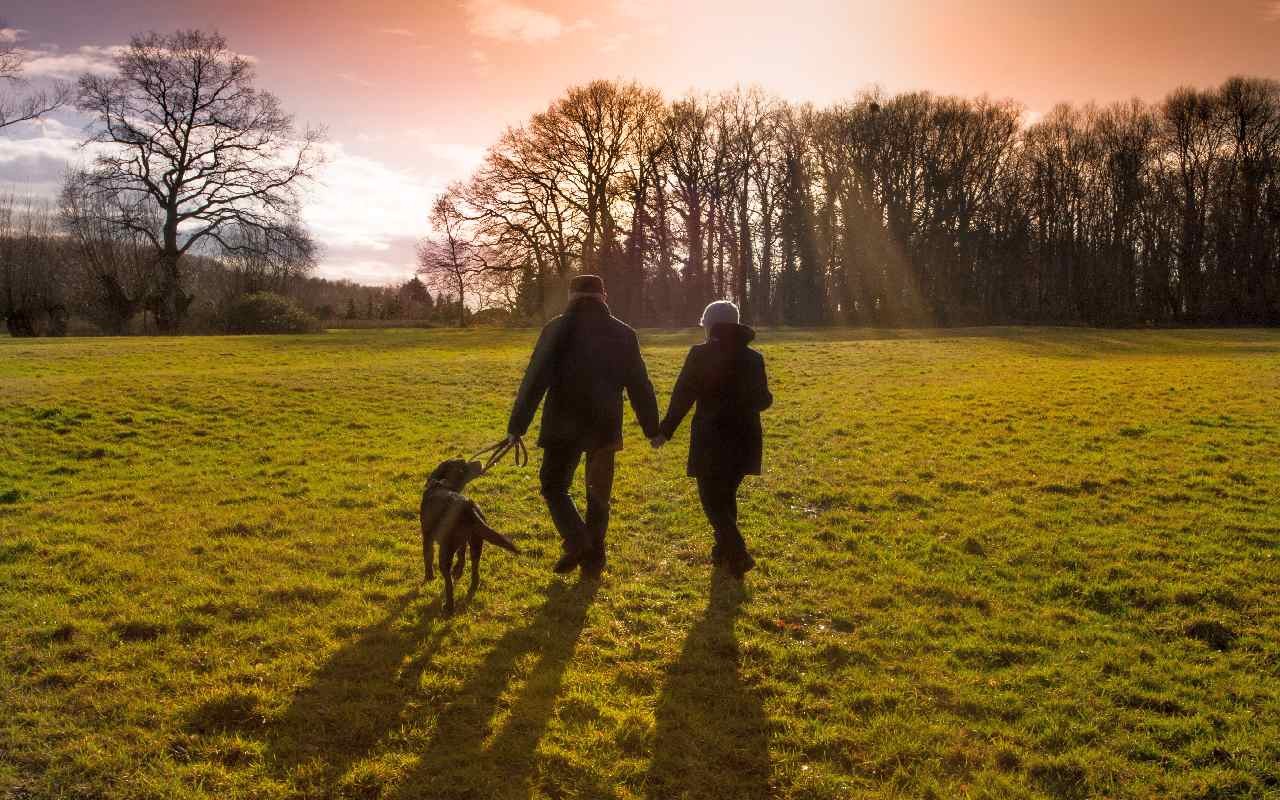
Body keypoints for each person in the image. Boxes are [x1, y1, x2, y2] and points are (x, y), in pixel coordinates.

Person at [506, 275, 663, 577]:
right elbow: (640, 385)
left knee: (554, 486)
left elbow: (534, 381)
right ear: (604, 296)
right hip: (604, 425)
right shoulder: (623, 333)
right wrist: (651, 428)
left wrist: (518, 425)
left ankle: (577, 540)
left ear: (571, 296)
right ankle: (593, 558)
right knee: (598, 494)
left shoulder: (555, 330)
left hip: (561, 425)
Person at [656, 300, 772, 578]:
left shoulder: (700, 354)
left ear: (710, 325)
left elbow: (683, 394)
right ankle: (723, 553)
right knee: (726, 495)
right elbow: (763, 400)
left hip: (711, 438)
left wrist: (665, 430)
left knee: (712, 501)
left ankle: (738, 553)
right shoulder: (754, 358)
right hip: (746, 439)